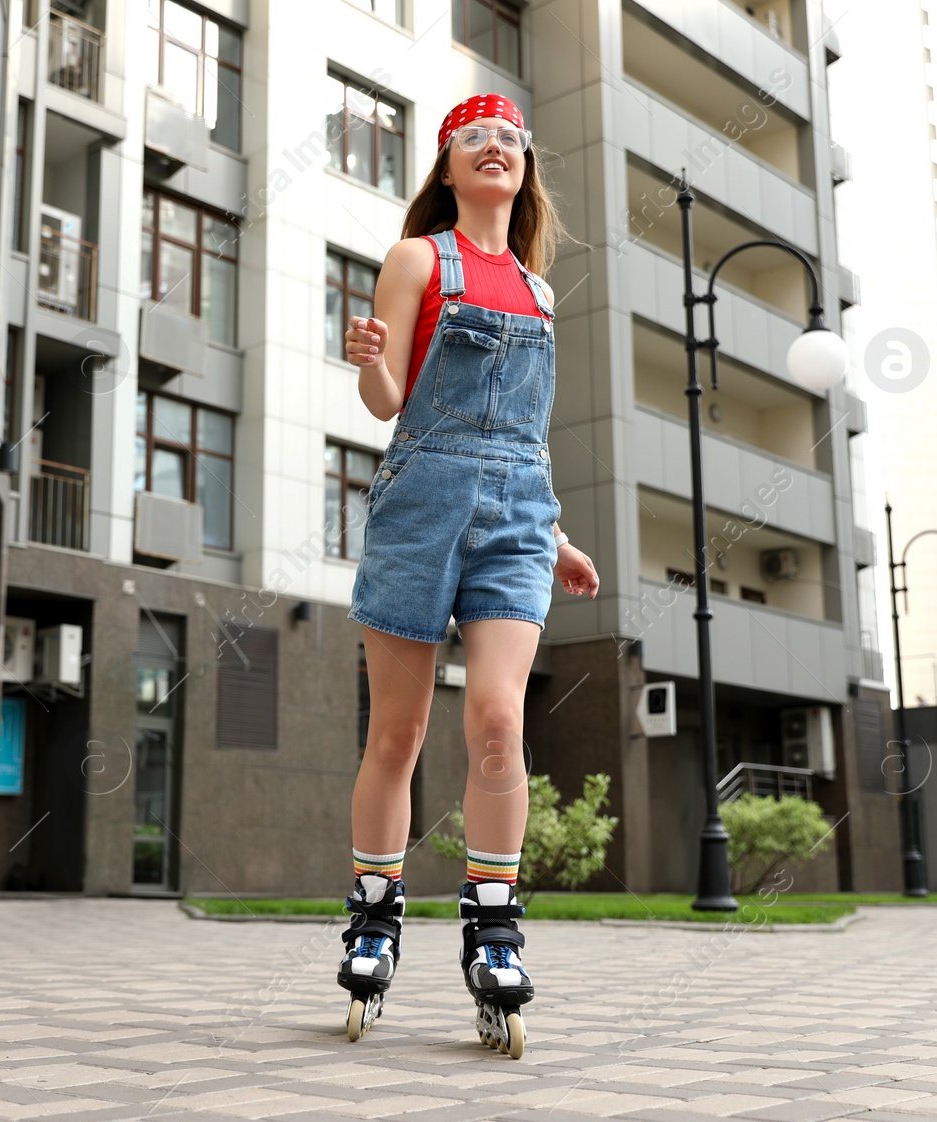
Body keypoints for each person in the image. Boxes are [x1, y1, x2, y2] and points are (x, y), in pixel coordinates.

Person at [333, 93, 600, 1058]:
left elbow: (525, 437)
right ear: (447, 168)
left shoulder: (538, 286)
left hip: (521, 516)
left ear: (524, 168)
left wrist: (558, 534)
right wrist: (365, 359)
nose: (493, 149)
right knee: (398, 733)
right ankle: (375, 911)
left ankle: (493, 928)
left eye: (509, 140)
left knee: (496, 718)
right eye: (472, 139)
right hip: (421, 502)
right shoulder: (418, 259)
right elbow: (387, 400)